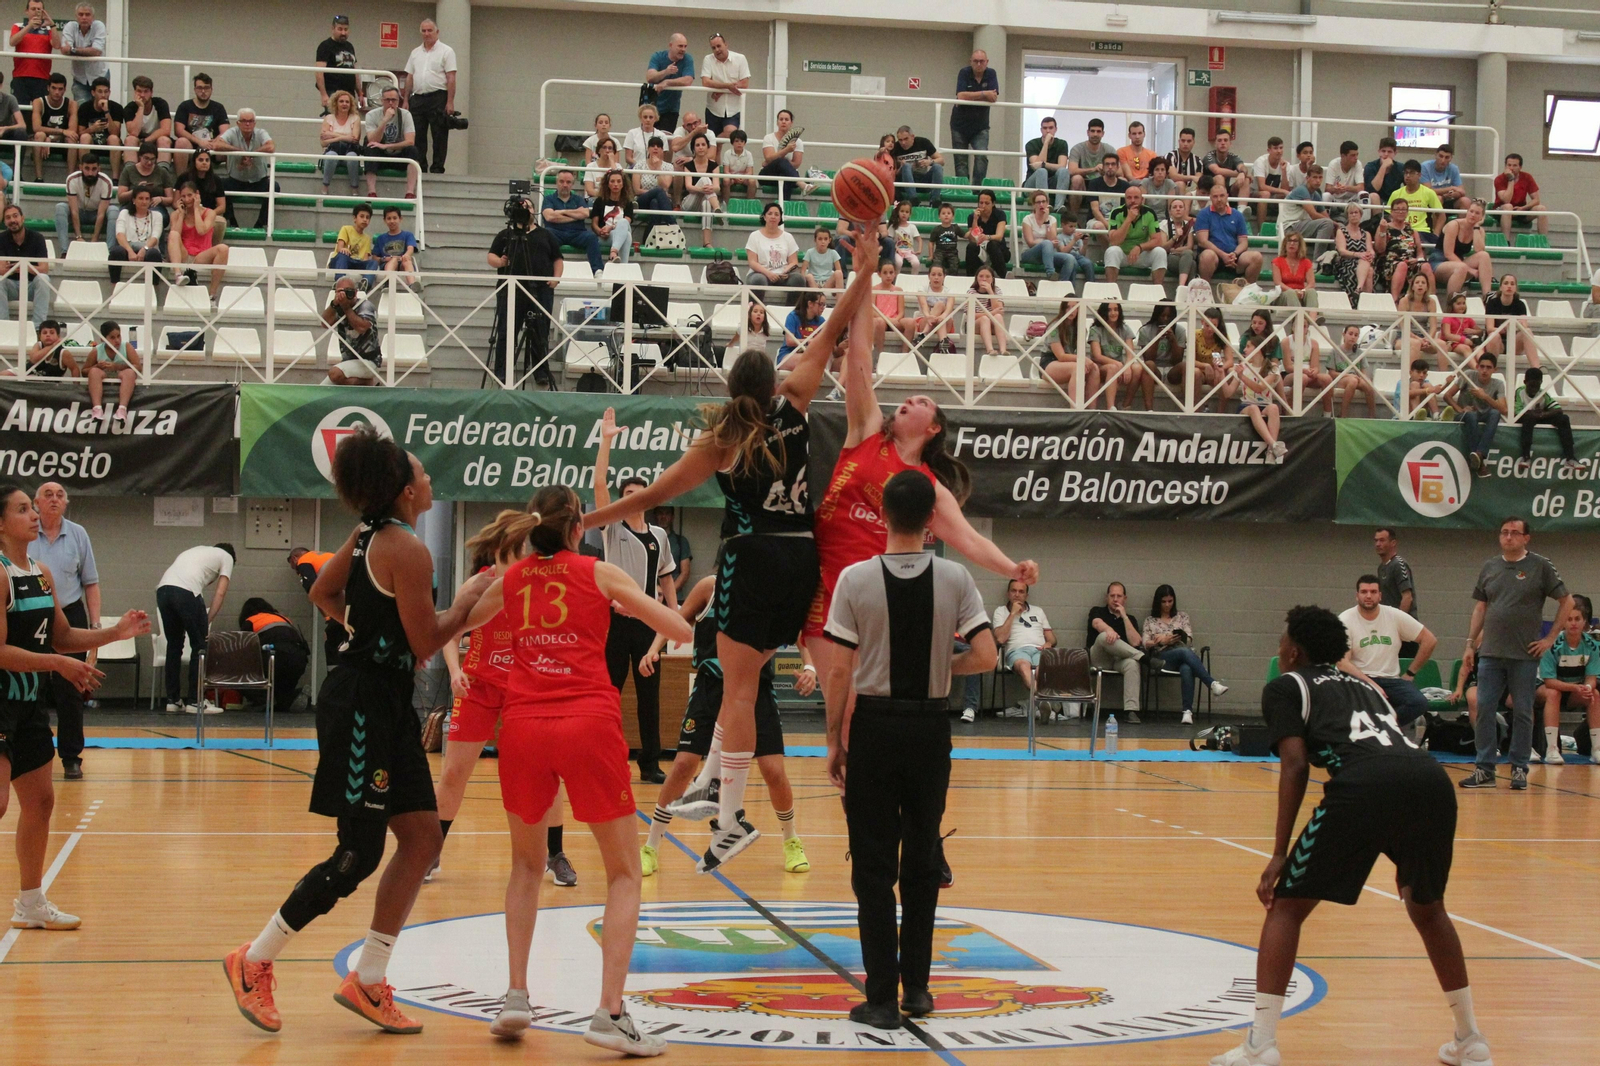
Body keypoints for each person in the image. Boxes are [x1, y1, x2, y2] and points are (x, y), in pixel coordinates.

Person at [584, 229, 882, 874]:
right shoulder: (797, 401)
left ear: (729, 386)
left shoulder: (722, 437)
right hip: (803, 558)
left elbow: (658, 491)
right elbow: (832, 326)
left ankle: (728, 821)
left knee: (740, 693)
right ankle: (744, 785)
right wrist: (867, 264)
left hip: (751, 558)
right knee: (769, 681)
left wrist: (592, 514)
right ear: (772, 379)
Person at [223, 426, 493, 1037]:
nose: (429, 480)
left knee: (423, 840)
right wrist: (471, 600)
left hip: (383, 701)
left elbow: (323, 590)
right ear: (404, 490)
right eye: (422, 473)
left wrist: (366, 632)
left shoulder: (367, 532)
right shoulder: (405, 548)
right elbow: (428, 640)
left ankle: (369, 978)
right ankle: (254, 959)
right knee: (358, 853)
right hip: (363, 705)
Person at [1211, 605, 1489, 1066]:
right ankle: (1471, 1039)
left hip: (1364, 785)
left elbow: (1296, 766)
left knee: (1285, 908)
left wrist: (1280, 853)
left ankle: (1260, 1044)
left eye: (1283, 640)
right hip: (1429, 781)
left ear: (1294, 650)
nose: (1279, 647)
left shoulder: (1286, 685)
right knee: (1428, 909)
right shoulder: (1367, 686)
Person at [822, 469, 996, 1029]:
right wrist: (944, 666)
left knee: (872, 866)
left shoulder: (853, 578)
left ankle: (880, 999)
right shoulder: (956, 578)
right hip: (930, 731)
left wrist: (833, 739)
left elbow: (839, 672)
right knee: (921, 859)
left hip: (873, 728)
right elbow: (990, 656)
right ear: (930, 521)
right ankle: (918, 989)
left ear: (883, 516)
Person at [2, 483, 147, 934]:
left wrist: (115, 632)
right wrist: (57, 665)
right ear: (2, 523)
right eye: (22, 509)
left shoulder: (42, 572)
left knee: (42, 802)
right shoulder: (1, 573)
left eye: (33, 507)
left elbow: (63, 636)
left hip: (27, 705)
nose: (32, 515)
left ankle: (30, 903)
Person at [432, 520, 574, 888]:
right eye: (517, 550)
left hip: (523, 690)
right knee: (453, 774)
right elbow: (450, 632)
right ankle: (430, 852)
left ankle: (555, 853)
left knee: (547, 773)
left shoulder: (539, 584)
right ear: (500, 552)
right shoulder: (478, 585)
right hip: (478, 687)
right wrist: (453, 672)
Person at [644, 573, 812, 876]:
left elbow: (797, 630)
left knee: (773, 771)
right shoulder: (709, 587)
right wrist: (654, 648)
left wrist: (810, 665)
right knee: (683, 765)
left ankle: (791, 840)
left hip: (755, 687)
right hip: (711, 687)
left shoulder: (768, 590)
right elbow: (676, 620)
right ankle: (651, 845)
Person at [592, 413, 679, 784]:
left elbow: (667, 579)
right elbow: (599, 487)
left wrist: (674, 617)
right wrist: (606, 440)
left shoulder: (659, 535)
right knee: (608, 694)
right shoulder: (613, 528)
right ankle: (602, 758)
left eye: (636, 495)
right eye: (625, 495)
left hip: (647, 626)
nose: (630, 499)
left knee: (650, 698)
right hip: (613, 625)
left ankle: (649, 764)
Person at [1458, 516, 1573, 791]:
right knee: (1484, 708)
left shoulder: (1541, 566)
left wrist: (1550, 637)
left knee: (1523, 711)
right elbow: (1480, 608)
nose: (1508, 537)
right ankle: (1484, 768)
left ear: (1526, 538)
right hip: (1491, 654)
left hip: (1524, 654)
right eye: (1504, 533)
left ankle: (1519, 768)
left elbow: (1566, 601)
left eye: (1514, 533)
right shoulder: (1489, 567)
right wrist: (1470, 644)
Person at [26, 483, 97, 780]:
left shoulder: (78, 534)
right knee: (34, 684)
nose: (54, 499)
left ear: (66, 503)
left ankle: (71, 757)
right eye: (48, 495)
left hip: (70, 612)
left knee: (72, 688)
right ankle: (32, 751)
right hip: (33, 612)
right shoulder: (26, 532)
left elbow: (90, 582)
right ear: (36, 503)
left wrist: (95, 627)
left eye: (60, 495)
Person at [1339, 575, 1436, 728]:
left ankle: (1382, 727)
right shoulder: (1345, 619)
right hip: (1360, 679)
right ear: (1357, 596)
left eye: (1373, 591)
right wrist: (1371, 683)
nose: (1369, 596)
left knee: (1419, 702)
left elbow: (1429, 640)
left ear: (1380, 596)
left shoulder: (1393, 615)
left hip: (1392, 679)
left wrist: (1410, 673)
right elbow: (1342, 662)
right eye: (1364, 592)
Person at [486, 195, 562, 384]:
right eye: (521, 206)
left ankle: (541, 372)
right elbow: (491, 257)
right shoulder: (505, 234)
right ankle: (503, 371)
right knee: (506, 330)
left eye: (527, 206)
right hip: (511, 290)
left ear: (533, 211)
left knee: (540, 330)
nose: (524, 209)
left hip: (540, 290)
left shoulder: (546, 234)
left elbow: (558, 259)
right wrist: (500, 261)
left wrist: (556, 279)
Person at [154, 542, 234, 714]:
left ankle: (173, 700)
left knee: (174, 645)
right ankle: (195, 701)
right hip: (186, 591)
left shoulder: (196, 550)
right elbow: (221, 592)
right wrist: (207, 619)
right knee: (200, 646)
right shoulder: (227, 557)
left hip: (162, 592)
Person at [1144, 584, 1227, 725]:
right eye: (1164, 601)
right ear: (1158, 602)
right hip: (1163, 657)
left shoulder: (1182, 617)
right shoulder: (1150, 620)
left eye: (1170, 601)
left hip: (1184, 653)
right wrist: (1163, 640)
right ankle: (1212, 683)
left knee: (1187, 667)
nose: (1167, 605)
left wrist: (1174, 637)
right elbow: (1145, 643)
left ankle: (1187, 712)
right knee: (1184, 652)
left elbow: (1188, 639)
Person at [1536, 602, 1600, 767]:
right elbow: (1549, 682)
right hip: (1546, 688)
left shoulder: (1592, 646)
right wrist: (1574, 688)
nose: (1573, 623)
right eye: (1569, 619)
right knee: (1553, 694)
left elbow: (1591, 677)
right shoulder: (1552, 645)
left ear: (1584, 622)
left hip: (1573, 690)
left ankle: (1596, 749)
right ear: (1563, 622)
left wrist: (1587, 688)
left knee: (1595, 695)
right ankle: (1552, 749)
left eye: (1577, 619)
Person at [236, 597, 309, 714]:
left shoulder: (251, 620)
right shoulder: (283, 618)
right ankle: (290, 698)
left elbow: (243, 650)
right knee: (282, 687)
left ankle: (262, 700)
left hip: (273, 657)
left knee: (238, 667)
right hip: (299, 659)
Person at [402, 19, 456, 174]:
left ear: (437, 32)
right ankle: (421, 168)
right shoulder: (415, 53)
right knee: (417, 134)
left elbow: (451, 77)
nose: (426, 34)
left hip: (438, 97)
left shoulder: (447, 51)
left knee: (439, 135)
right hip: (417, 98)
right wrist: (406, 100)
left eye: (430, 30)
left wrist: (450, 101)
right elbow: (410, 77)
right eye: (424, 31)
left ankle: (437, 168)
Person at [1087, 581, 1144, 723]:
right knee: (1104, 636)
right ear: (1107, 597)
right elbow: (1097, 624)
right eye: (1112, 595)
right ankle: (1144, 658)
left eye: (1119, 596)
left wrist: (1124, 617)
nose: (1115, 599)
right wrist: (1109, 631)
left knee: (1132, 663)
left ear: (1125, 599)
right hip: (1099, 658)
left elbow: (1136, 642)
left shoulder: (1130, 619)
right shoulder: (1097, 611)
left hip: (1119, 660)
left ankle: (1131, 710)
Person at [166, 179, 229, 300]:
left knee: (223, 248)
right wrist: (181, 215)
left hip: (201, 255)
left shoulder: (209, 213)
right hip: (183, 254)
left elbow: (201, 230)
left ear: (197, 195)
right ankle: (178, 274)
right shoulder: (175, 214)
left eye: (190, 195)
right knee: (173, 234)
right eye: (183, 196)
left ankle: (212, 294)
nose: (187, 199)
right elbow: (175, 235)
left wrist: (196, 209)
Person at [1447, 353, 1507, 474]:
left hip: (1484, 415)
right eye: (1482, 366)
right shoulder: (1468, 375)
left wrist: (1485, 397)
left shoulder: (1498, 384)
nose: (1484, 370)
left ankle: (1478, 454)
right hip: (1465, 415)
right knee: (1472, 415)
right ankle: (1481, 460)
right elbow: (1447, 396)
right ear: (1477, 367)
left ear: (1495, 370)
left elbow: (1504, 410)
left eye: (1488, 367)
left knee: (1495, 413)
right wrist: (1459, 409)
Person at [321, 275, 382, 387]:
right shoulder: (338, 308)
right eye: (340, 292)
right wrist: (334, 304)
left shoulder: (365, 306)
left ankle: (367, 382)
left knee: (335, 374)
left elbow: (361, 328)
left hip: (369, 361)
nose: (344, 295)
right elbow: (324, 324)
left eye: (348, 291)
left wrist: (346, 308)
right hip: (348, 362)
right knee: (321, 390)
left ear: (355, 292)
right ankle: (365, 383)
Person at [1195, 184, 1263, 284]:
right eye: (1215, 196)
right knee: (1207, 255)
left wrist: (1234, 254)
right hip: (1214, 257)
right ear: (1210, 198)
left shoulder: (1238, 215)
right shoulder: (1203, 214)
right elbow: (1203, 241)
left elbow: (1244, 242)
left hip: (1234, 257)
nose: (1219, 199)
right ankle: (1205, 290)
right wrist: (1223, 255)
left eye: (1222, 196)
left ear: (1227, 196)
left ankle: (1248, 292)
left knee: (1257, 257)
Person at [1514, 367, 1578, 472]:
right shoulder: (1519, 392)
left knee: (1564, 419)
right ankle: (1525, 456)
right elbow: (1518, 412)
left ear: (1541, 383)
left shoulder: (1542, 393)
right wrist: (1534, 414)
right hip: (1525, 419)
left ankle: (1570, 457)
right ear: (1525, 382)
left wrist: (1542, 414)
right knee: (1528, 418)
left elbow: (1558, 409)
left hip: (1539, 416)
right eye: (1531, 385)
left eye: (1537, 385)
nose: (1534, 388)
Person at [288, 546, 343, 668]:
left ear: (294, 558)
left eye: (293, 566)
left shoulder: (304, 561)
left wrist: (329, 618)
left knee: (333, 643)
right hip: (356, 601)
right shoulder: (326, 555)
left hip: (343, 607)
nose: (296, 571)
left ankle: (336, 679)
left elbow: (314, 591)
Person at [360, 86, 419, 199]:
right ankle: (372, 192)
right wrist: (384, 120)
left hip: (398, 155)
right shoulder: (371, 115)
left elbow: (410, 141)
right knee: (370, 147)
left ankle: (410, 192)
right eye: (387, 100)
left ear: (398, 101)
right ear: (382, 100)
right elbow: (373, 140)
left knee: (413, 150)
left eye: (394, 100)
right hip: (381, 156)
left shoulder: (405, 115)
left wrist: (386, 146)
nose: (391, 103)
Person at [0, 204, 51, 330]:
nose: (12, 220)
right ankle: (3, 326)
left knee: (44, 278)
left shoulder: (37, 238)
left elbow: (44, 268)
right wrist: (11, 269)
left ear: (23, 218)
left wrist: (25, 267)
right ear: (5, 222)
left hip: (30, 286)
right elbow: (1, 270)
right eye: (8, 218)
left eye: (15, 216)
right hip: (10, 285)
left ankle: (38, 328)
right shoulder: (1, 238)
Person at [1103, 184, 1165, 285]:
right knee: (1112, 251)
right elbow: (1114, 241)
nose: (1132, 201)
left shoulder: (1150, 213)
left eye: (1136, 197)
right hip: (1122, 255)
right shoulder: (1116, 213)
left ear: (1142, 199)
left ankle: (1158, 291)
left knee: (1160, 252)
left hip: (1140, 255)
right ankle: (1111, 292)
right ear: (1125, 199)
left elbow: (1157, 240)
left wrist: (1139, 247)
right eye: (1129, 197)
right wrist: (1128, 220)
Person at [950, 50, 996, 187]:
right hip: (959, 125)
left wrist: (972, 94)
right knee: (960, 160)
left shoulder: (991, 73)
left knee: (981, 157)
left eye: (982, 61)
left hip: (980, 126)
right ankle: (963, 189)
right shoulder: (964, 72)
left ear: (987, 62)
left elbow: (993, 97)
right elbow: (961, 96)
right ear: (971, 62)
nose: (979, 64)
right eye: (976, 61)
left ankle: (977, 190)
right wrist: (984, 93)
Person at [1434, 198, 1492, 301]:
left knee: (1484, 256)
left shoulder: (1479, 230)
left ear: (1482, 217)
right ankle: (1451, 303)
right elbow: (1448, 253)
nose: (1473, 215)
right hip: (1439, 262)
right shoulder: (1454, 225)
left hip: (1459, 263)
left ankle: (1487, 297)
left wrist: (1476, 227)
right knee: (1461, 268)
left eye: (1477, 213)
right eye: (1471, 211)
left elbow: (1480, 250)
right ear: (1467, 212)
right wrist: (1469, 269)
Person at [745, 201, 804, 296]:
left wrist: (785, 271)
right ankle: (756, 309)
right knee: (758, 280)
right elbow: (752, 262)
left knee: (798, 279)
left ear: (780, 218)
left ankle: (791, 309)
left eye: (776, 214)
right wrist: (769, 274)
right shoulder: (754, 236)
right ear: (764, 217)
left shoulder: (788, 237)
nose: (773, 216)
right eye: (770, 213)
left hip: (783, 275)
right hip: (761, 273)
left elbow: (794, 262)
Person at [55, 150, 112, 248]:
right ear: (80, 167)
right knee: (60, 207)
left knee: (114, 211)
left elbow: (101, 214)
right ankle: (64, 251)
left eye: (94, 169)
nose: (90, 173)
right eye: (87, 168)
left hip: (96, 213)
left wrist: (94, 239)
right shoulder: (72, 179)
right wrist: (78, 236)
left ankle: (110, 253)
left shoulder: (106, 182)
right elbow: (74, 210)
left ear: (99, 169)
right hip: (79, 211)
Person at [8, 1, 59, 110]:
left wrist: (52, 24)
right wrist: (29, 26)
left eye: (39, 9)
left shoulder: (49, 29)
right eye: (33, 9)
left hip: (42, 78)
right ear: (27, 11)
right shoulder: (18, 26)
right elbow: (12, 42)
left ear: (43, 11)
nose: (36, 12)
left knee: (40, 112)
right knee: (21, 111)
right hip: (20, 77)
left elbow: (57, 45)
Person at [1482, 272, 1540, 368]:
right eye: (1506, 283)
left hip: (1513, 343)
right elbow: (1489, 328)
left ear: (1516, 288)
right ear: (1500, 287)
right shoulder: (1492, 303)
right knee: (1494, 335)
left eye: (1512, 284)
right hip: (1497, 343)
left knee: (1528, 331)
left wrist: (1514, 326)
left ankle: (1536, 369)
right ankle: (1492, 368)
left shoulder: (1520, 304)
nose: (1509, 286)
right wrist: (1504, 328)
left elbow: (1524, 327)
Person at [83, 319, 136, 418]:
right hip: (103, 380)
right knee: (94, 371)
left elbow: (138, 367)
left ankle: (122, 409)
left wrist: (118, 366)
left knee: (130, 373)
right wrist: (97, 366)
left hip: (123, 379)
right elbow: (84, 371)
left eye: (118, 336)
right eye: (112, 337)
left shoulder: (127, 347)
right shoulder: (96, 351)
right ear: (103, 339)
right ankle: (97, 409)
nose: (117, 340)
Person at [701, 33, 751, 137]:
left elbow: (744, 83)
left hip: (734, 109)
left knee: (730, 132)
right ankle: (716, 147)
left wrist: (721, 91)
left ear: (726, 45)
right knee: (711, 140)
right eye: (713, 48)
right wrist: (727, 86)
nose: (717, 50)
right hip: (713, 109)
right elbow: (706, 82)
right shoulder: (708, 59)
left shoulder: (740, 58)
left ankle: (716, 144)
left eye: (719, 46)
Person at [1373, 526, 1420, 637]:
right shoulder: (1381, 568)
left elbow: (1407, 597)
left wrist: (1397, 625)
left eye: (1382, 540)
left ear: (1393, 543)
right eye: (1376, 540)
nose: (1378, 544)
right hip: (1388, 628)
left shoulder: (1398, 564)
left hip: (1404, 630)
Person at [677, 131, 721, 249]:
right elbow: (689, 187)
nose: (700, 148)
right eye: (697, 145)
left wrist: (710, 188)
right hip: (689, 203)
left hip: (704, 201)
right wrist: (703, 187)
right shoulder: (689, 165)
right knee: (705, 178)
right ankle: (717, 208)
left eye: (703, 145)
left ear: (707, 147)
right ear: (693, 149)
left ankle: (707, 242)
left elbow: (717, 187)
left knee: (707, 203)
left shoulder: (714, 165)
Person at [643, 33, 694, 134]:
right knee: (648, 137)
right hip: (652, 105)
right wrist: (666, 72)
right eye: (680, 46)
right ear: (671, 45)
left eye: (685, 46)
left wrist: (667, 82)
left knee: (665, 138)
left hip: (671, 108)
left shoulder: (687, 59)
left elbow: (688, 80)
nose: (683, 49)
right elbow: (650, 77)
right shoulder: (658, 56)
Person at [29, 73, 76, 181]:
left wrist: (50, 138)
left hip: (61, 142)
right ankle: (39, 178)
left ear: (65, 90)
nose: (57, 92)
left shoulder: (71, 104)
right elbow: (36, 127)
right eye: (54, 88)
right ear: (48, 88)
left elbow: (72, 131)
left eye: (60, 89)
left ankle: (70, 180)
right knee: (39, 135)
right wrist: (60, 132)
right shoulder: (39, 102)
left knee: (72, 138)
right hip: (43, 144)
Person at [59, 3, 107, 107]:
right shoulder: (70, 26)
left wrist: (72, 50)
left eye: (87, 14)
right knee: (81, 110)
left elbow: (97, 51)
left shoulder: (99, 26)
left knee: (100, 108)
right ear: (76, 17)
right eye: (81, 14)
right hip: (79, 79)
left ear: (93, 17)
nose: (84, 17)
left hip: (99, 76)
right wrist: (86, 50)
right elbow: (64, 49)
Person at [172, 72, 229, 158]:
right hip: (191, 145)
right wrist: (200, 142)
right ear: (195, 89)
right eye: (200, 88)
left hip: (213, 145)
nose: (203, 91)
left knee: (229, 143)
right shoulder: (185, 106)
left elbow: (225, 131)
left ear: (211, 89)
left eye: (206, 88)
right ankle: (181, 172)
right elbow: (178, 130)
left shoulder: (218, 107)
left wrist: (214, 142)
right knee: (181, 142)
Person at [1492, 153, 1546, 239]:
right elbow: (1506, 200)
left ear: (1520, 167)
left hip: (1520, 209)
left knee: (1541, 208)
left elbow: (1536, 199)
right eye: (1509, 165)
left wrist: (1524, 208)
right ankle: (1506, 242)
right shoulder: (1499, 179)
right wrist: (1511, 180)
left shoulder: (1527, 177)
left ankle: (1544, 241)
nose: (1511, 168)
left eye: (1515, 165)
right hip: (1502, 209)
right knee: (1508, 207)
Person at [1279, 165, 1336, 246]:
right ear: (1307, 178)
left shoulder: (1316, 194)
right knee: (1327, 224)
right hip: (1289, 227)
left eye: (1320, 177)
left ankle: (1332, 256)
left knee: (1332, 228)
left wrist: (1337, 226)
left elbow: (1325, 215)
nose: (1318, 180)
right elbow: (1313, 215)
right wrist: (1334, 223)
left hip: (1302, 226)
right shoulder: (1302, 190)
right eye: (1315, 177)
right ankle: (1318, 258)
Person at [319, 89, 363, 193]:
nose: (344, 104)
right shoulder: (328, 118)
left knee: (352, 157)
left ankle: (354, 189)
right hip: (333, 150)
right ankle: (325, 187)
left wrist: (333, 136)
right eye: (341, 101)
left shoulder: (355, 118)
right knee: (331, 156)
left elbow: (355, 139)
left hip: (349, 150)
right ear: (336, 103)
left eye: (347, 102)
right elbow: (323, 143)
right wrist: (345, 137)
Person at [890, 124, 943, 208]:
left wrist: (930, 162)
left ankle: (935, 200)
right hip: (905, 182)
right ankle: (913, 199)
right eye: (900, 140)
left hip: (923, 180)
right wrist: (900, 166)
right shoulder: (895, 147)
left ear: (912, 137)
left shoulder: (923, 142)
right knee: (906, 166)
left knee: (937, 167)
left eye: (906, 139)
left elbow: (941, 160)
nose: (903, 143)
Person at [119, 75, 168, 168]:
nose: (142, 95)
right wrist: (141, 107)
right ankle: (131, 173)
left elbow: (166, 129)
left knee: (164, 140)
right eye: (139, 91)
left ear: (151, 92)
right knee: (130, 140)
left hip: (154, 140)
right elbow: (134, 132)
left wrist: (145, 141)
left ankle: (163, 173)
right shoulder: (129, 108)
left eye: (146, 91)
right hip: (138, 141)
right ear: (134, 92)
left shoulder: (161, 104)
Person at [314, 13, 358, 114]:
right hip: (333, 92)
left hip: (349, 92)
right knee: (334, 123)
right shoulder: (325, 46)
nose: (343, 32)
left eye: (346, 29)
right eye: (340, 29)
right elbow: (319, 72)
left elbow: (355, 70)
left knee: (351, 122)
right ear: (333, 29)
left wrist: (360, 92)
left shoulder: (350, 46)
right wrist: (324, 95)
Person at [759, 109, 805, 202]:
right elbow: (769, 158)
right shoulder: (769, 138)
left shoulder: (798, 142)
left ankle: (783, 208)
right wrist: (786, 151)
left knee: (784, 174)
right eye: (781, 119)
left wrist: (780, 162)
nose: (783, 122)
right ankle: (802, 184)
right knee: (781, 162)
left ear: (791, 123)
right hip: (769, 175)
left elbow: (796, 164)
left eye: (786, 119)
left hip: (788, 176)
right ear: (777, 122)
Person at [1333, 204, 1376, 305]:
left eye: (1356, 212)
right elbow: (1342, 251)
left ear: (1360, 215)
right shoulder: (1341, 231)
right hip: (1347, 262)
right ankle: (1366, 302)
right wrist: (1358, 254)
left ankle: (1359, 289)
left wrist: (1370, 255)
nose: (1353, 215)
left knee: (1368, 268)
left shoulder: (1366, 234)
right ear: (1347, 216)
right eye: (1351, 213)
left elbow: (1370, 250)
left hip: (1363, 261)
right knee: (1368, 269)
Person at [1023, 116, 1069, 208]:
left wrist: (1044, 164)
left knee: (1064, 171)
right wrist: (1046, 143)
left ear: (1055, 129)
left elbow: (1062, 166)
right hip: (1032, 184)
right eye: (1045, 128)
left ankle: (1059, 207)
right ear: (1041, 130)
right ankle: (1045, 205)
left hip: (1052, 182)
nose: (1048, 131)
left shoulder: (1062, 144)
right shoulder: (1031, 144)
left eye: (1051, 128)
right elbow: (1036, 167)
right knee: (1041, 171)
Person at [964, 189, 1008, 278]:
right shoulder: (972, 217)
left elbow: (999, 236)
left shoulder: (1000, 214)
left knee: (992, 245)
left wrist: (987, 237)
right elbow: (972, 239)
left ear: (993, 203)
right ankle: (970, 278)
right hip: (981, 249)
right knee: (971, 247)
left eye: (987, 203)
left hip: (998, 249)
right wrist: (975, 219)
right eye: (981, 203)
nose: (983, 206)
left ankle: (1004, 276)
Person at [75, 75, 119, 165]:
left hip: (108, 145)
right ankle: (84, 171)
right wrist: (92, 129)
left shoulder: (116, 107)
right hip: (91, 144)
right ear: (93, 93)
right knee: (85, 137)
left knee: (114, 139)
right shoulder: (84, 108)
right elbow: (80, 134)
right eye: (100, 92)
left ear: (109, 92)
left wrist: (107, 111)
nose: (103, 95)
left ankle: (115, 178)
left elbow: (116, 133)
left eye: (106, 92)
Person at [330, 202, 377, 283]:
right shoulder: (346, 229)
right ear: (355, 218)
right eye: (362, 216)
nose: (365, 219)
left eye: (367, 217)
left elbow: (365, 258)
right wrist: (344, 250)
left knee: (373, 262)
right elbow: (339, 248)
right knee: (343, 255)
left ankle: (365, 283)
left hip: (356, 263)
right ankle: (339, 281)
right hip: (342, 260)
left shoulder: (367, 238)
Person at [373, 206, 418, 287]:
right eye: (389, 218)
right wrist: (384, 259)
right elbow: (374, 257)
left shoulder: (407, 235)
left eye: (395, 218)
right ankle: (388, 284)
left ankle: (412, 285)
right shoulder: (381, 238)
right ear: (384, 220)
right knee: (393, 260)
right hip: (387, 265)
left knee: (407, 261)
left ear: (400, 219)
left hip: (402, 264)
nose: (392, 221)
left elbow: (410, 248)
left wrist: (406, 255)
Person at [1363, 136, 1402, 207]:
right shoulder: (1370, 166)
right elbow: (1373, 189)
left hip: (1395, 201)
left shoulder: (1401, 167)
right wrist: (1383, 167)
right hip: (1377, 201)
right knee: (1373, 196)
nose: (1386, 154)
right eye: (1383, 151)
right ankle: (1378, 218)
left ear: (1395, 153)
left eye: (1389, 152)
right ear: (1379, 152)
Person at [719, 128, 758, 200]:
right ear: (732, 142)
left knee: (752, 181)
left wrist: (743, 178)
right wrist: (734, 177)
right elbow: (726, 171)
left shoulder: (749, 154)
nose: (739, 143)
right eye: (736, 141)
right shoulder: (727, 153)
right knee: (726, 180)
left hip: (744, 178)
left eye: (742, 141)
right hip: (731, 177)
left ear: (745, 143)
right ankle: (726, 205)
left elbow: (750, 172)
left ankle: (749, 205)